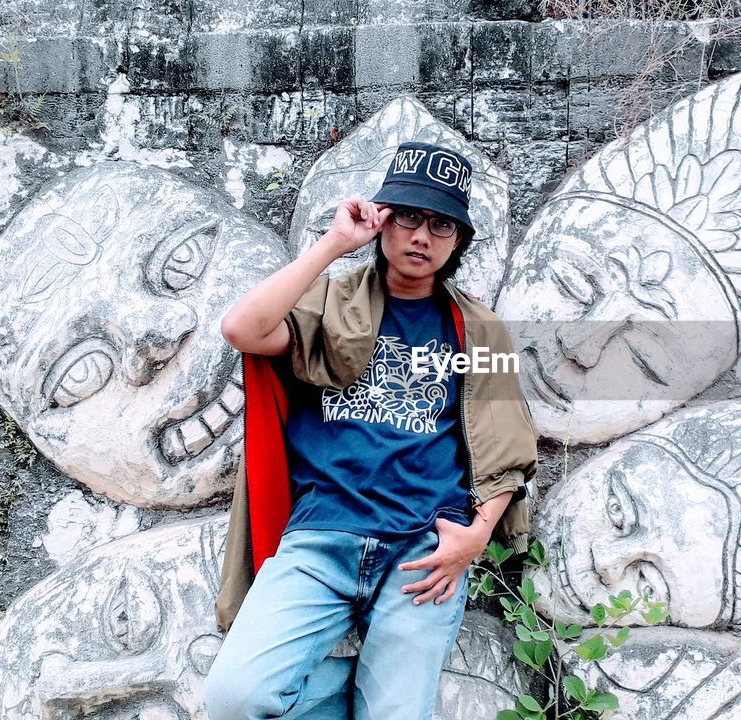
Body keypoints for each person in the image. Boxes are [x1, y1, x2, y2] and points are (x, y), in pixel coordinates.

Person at [203, 141, 538, 720]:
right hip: (321, 539)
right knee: (237, 698)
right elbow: (242, 328)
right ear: (381, 220)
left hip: (423, 553)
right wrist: (336, 244)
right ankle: (354, 688)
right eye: (407, 216)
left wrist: (475, 535)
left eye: (441, 224)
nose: (421, 236)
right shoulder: (328, 304)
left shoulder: (483, 330)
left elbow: (509, 447)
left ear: (457, 241)